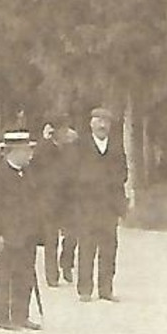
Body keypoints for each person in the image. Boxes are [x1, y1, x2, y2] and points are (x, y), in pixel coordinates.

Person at [0, 129, 44, 331]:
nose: (30, 154)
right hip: (7, 236)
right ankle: (1, 317)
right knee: (5, 275)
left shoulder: (29, 174)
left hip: (27, 234)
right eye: (26, 150)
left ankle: (21, 315)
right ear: (14, 151)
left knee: (25, 275)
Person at [72, 106, 128, 302]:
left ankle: (106, 289)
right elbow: (72, 173)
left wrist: (119, 202)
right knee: (87, 247)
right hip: (86, 205)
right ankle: (85, 289)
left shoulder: (116, 147)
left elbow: (123, 173)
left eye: (106, 122)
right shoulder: (80, 146)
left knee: (109, 248)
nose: (102, 125)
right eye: (98, 121)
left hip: (109, 206)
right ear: (91, 123)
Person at [34, 117, 79, 287]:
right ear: (54, 132)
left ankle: (66, 263)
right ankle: (52, 275)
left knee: (72, 235)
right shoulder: (44, 149)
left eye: (66, 129)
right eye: (62, 129)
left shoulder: (72, 148)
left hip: (69, 199)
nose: (66, 132)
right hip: (49, 199)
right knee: (50, 238)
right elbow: (35, 168)